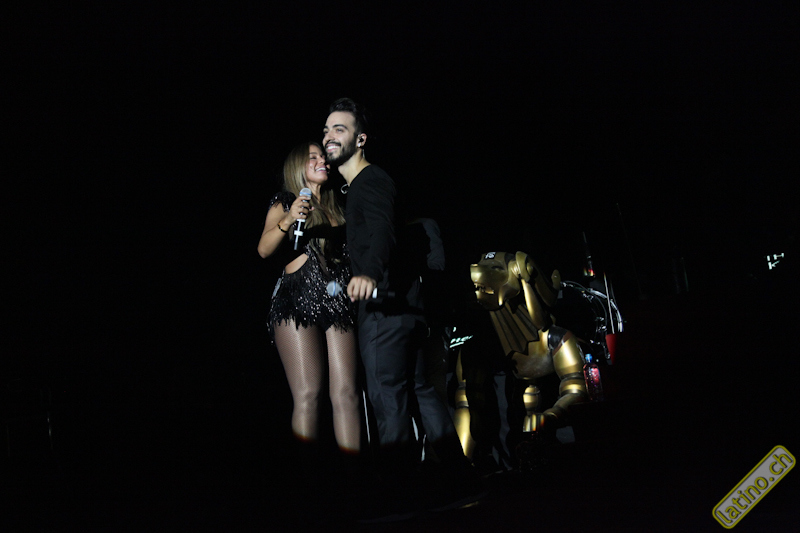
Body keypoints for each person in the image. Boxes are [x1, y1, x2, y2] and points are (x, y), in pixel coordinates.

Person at [322, 98, 485, 519]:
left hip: (386, 311)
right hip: (406, 312)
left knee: (387, 399)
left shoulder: (370, 181)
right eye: (326, 129)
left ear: (360, 139)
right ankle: (460, 479)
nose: (328, 136)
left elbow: (381, 232)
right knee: (422, 391)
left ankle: (400, 493)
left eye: (339, 129)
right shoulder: (363, 186)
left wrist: (370, 273)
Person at [257, 142, 360, 457]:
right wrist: (289, 219)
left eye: (322, 157)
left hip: (336, 302)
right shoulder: (287, 201)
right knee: (308, 394)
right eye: (312, 157)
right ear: (297, 166)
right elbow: (264, 249)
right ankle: (307, 477)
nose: (322, 161)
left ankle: (354, 474)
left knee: (346, 394)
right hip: (296, 302)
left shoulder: (336, 206)